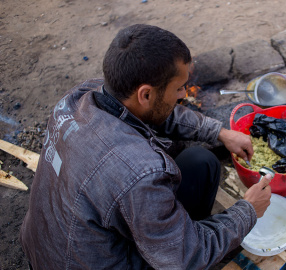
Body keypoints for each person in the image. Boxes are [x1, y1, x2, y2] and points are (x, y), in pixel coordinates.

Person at [20, 24, 272, 270]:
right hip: (86, 262)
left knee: (200, 161)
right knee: (189, 249)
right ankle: (183, 236)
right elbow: (185, 258)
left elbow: (163, 112)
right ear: (146, 94)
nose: (184, 94)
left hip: (46, 248)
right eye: (178, 88)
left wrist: (220, 132)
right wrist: (248, 211)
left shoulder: (80, 97)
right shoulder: (141, 173)